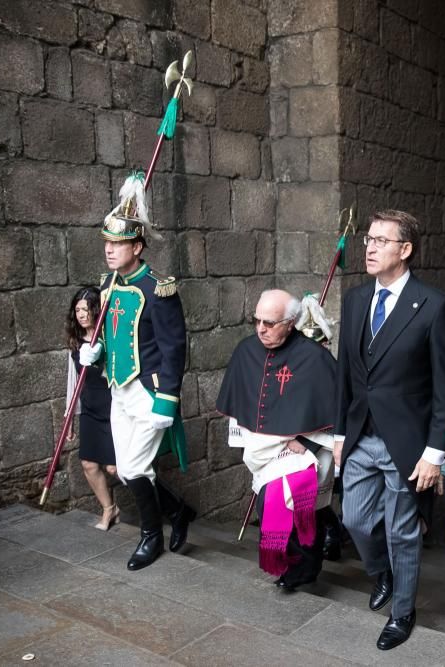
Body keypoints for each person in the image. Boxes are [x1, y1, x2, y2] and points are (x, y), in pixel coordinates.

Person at [334, 209, 445, 650]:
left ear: (405, 250)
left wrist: (436, 453)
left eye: (380, 241)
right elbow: (345, 375)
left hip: (408, 444)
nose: (368, 247)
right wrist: (337, 435)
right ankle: (382, 574)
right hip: (359, 436)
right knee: (354, 517)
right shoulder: (353, 300)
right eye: (368, 239)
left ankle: (402, 611)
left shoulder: (433, 305)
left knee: (402, 531)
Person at [78, 173, 194, 571]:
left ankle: (151, 536)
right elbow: (116, 335)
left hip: (149, 391)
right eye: (107, 243)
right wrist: (97, 351)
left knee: (129, 468)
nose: (110, 250)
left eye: (118, 243)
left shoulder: (158, 287)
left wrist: (168, 398)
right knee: (129, 470)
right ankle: (178, 512)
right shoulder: (108, 283)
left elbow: (173, 348)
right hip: (118, 389)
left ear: (138, 246)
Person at [216, 289, 337, 591]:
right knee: (300, 509)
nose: (261, 329)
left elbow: (334, 406)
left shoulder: (314, 357)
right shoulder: (246, 350)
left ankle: (302, 569)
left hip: (301, 447)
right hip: (263, 448)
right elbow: (240, 398)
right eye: (257, 321)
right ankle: (326, 536)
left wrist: (307, 441)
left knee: (276, 503)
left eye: (270, 323)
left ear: (291, 321)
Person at [64, 286, 119, 530]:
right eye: (77, 310)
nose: (81, 314)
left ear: (96, 310)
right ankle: (109, 509)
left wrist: (101, 355)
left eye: (86, 309)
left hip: (113, 409)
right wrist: (70, 419)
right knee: (88, 464)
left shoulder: (110, 339)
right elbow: (73, 382)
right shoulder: (75, 343)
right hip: (89, 409)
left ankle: (161, 503)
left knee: (114, 468)